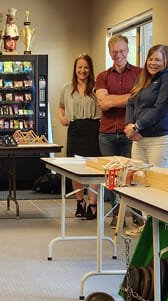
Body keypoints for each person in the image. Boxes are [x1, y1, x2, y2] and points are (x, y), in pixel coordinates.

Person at [95, 35, 142, 214]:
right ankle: (116, 216)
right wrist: (129, 98)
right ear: (109, 52)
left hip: (130, 133)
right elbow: (102, 102)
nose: (118, 55)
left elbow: (139, 98)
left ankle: (137, 216)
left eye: (122, 51)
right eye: (114, 52)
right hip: (106, 134)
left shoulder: (140, 74)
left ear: (128, 50)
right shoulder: (102, 76)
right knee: (112, 178)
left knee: (132, 176)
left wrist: (112, 100)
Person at [59, 54, 102, 220]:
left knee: (92, 169)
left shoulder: (98, 87)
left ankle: (92, 205)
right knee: (74, 168)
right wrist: (62, 117)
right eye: (79, 67)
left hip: (93, 129)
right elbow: (61, 107)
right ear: (75, 69)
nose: (82, 70)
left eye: (85, 67)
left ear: (90, 69)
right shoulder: (67, 88)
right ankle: (79, 202)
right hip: (75, 130)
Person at [125, 45, 168, 168]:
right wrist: (129, 125)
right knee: (138, 179)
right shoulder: (142, 78)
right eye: (150, 59)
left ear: (167, 61)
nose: (153, 63)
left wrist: (136, 126)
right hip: (139, 138)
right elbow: (130, 103)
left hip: (161, 139)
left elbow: (160, 109)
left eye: (157, 60)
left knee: (157, 181)